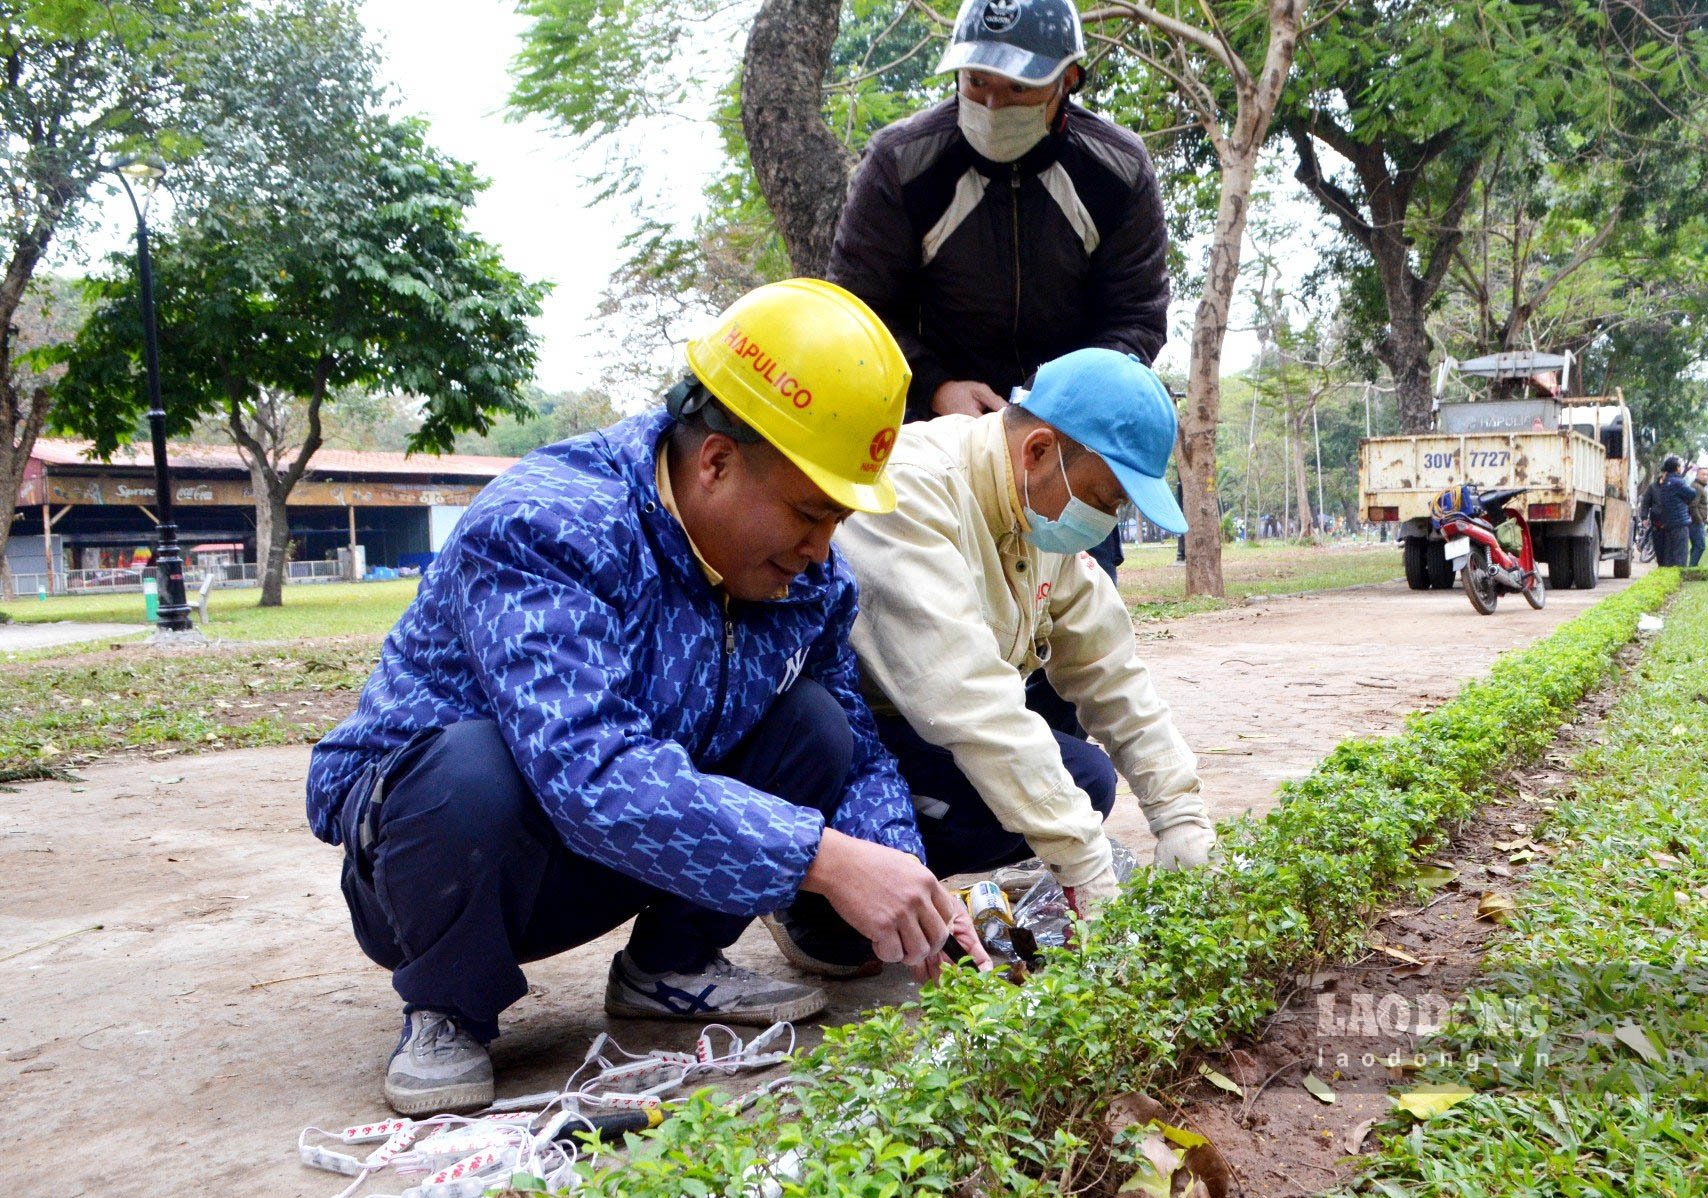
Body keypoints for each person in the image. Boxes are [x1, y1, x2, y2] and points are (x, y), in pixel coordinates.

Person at [305, 280, 989, 1116]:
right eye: (811, 514)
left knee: (814, 726)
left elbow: (852, 740)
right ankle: (447, 1005)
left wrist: (905, 876)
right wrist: (829, 861)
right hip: (446, 859)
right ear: (716, 462)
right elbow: (590, 771)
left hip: (623, 850)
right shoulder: (548, 528)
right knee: (468, 768)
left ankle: (670, 966)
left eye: (840, 521)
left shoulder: (809, 584)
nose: (822, 549)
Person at [758, 349, 1212, 976]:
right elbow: (969, 702)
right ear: (1039, 451)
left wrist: (1179, 813)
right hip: (837, 741)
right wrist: (1085, 867)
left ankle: (902, 885)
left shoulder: (1038, 514)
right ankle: (814, 900)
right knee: (1013, 786)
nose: (1107, 522)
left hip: (917, 737)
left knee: (1085, 779)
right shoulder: (911, 491)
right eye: (1107, 500)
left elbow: (1111, 671)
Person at [828, 0, 1170, 585]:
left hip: (1063, 446)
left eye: (1016, 87)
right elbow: (856, 311)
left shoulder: (1117, 171)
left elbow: (1136, 318)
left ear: (1067, 81)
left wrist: (1053, 404)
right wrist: (936, 386)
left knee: (1069, 644)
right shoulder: (902, 163)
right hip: (931, 441)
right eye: (976, 82)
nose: (990, 104)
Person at [1639, 455, 1696, 568]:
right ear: (1677, 468)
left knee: (1670, 556)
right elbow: (1692, 494)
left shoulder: (1666, 484)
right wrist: (1644, 517)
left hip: (1667, 523)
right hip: (1674, 523)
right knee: (1678, 556)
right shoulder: (1677, 482)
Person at [1688, 466, 1708, 567]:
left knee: (1696, 546)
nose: (1705, 477)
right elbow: (1693, 505)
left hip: (1696, 521)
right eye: (1703, 474)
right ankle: (1692, 567)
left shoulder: (1699, 486)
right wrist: (1699, 520)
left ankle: (1692, 566)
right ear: (1697, 475)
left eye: (1707, 474)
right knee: (1700, 546)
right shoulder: (1697, 487)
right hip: (1695, 522)